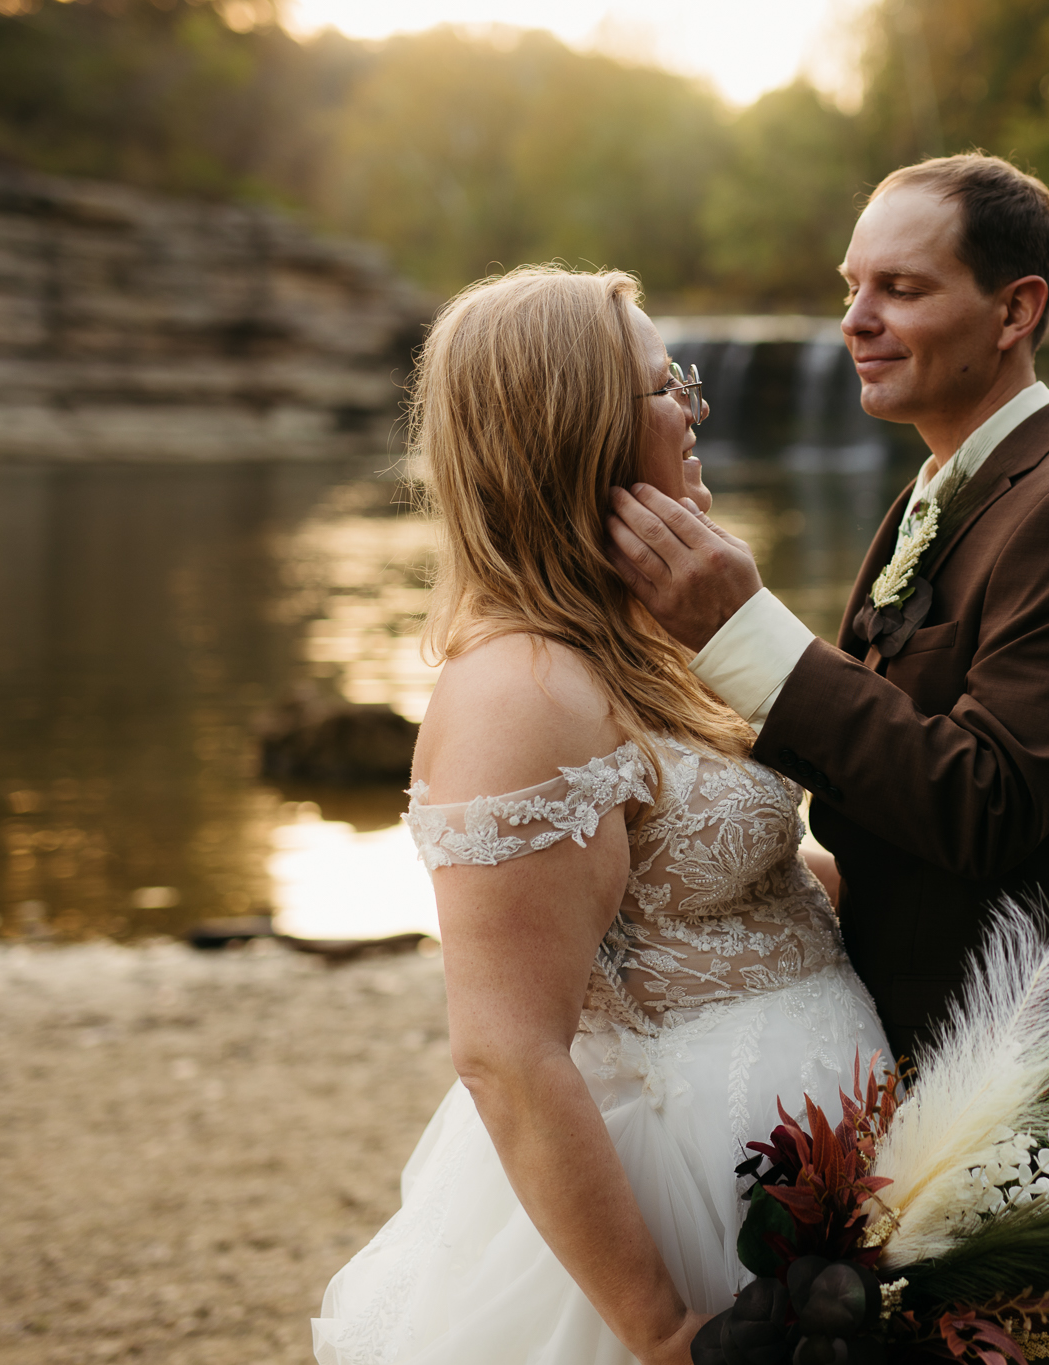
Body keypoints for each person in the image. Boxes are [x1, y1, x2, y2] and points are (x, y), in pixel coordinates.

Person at [313, 265, 890, 1365]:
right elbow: (508, 1056)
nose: (694, 407)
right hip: (688, 1212)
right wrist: (665, 1331)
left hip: (811, 1180)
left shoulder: (648, 641)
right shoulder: (517, 692)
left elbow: (728, 894)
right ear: (572, 428)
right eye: (665, 383)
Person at [606, 153, 1049, 1130]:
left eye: (900, 289)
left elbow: (983, 803)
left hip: (1027, 1093)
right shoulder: (931, 496)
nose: (854, 320)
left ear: (1014, 313)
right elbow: (875, 810)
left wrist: (741, 630)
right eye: (851, 287)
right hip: (902, 1068)